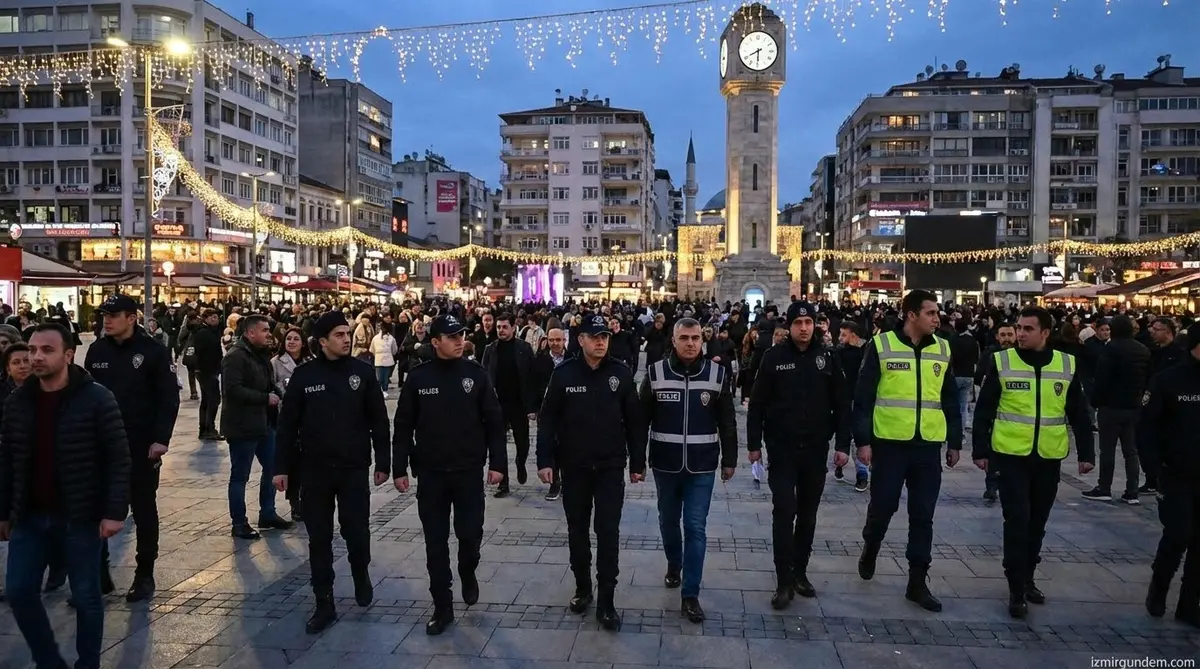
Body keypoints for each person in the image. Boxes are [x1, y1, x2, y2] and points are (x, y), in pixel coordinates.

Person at [0, 323, 131, 669]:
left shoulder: (96, 397)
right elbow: (7, 458)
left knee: (87, 596)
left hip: (80, 514)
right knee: (19, 590)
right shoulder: (19, 401)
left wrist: (114, 511)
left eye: (46, 350)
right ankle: (49, 660)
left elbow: (118, 457)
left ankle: (88, 663)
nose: (35, 357)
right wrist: (3, 511)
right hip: (29, 515)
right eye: (31, 349)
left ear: (69, 355)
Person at [971, 306, 1094, 619]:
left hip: (1048, 457)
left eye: (1027, 329)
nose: (1021, 334)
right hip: (1010, 456)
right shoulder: (1001, 362)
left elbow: (1079, 411)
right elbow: (984, 409)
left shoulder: (1066, 364)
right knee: (1017, 520)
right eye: (1019, 328)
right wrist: (981, 450)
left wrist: (1087, 454)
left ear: (1045, 333)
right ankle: (1015, 588)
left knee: (1037, 522)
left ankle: (1028, 578)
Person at [274, 312, 392, 634]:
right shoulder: (304, 376)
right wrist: (280, 468)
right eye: (338, 334)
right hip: (315, 471)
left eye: (347, 332)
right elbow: (286, 427)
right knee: (319, 539)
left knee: (357, 531)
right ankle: (324, 601)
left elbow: (379, 421)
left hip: (353, 468)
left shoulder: (362, 373)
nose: (346, 338)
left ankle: (360, 572)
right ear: (322, 341)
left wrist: (384, 462)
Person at [392, 314, 506, 636]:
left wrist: (498, 462)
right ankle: (442, 606)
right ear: (435, 341)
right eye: (452, 336)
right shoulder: (418, 378)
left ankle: (468, 571)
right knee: (435, 544)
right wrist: (399, 467)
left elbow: (494, 422)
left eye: (461, 335)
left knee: (470, 536)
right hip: (431, 475)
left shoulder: (476, 375)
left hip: (468, 473)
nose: (459, 341)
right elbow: (403, 426)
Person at [853, 289, 963, 612]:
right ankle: (871, 544)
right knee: (884, 505)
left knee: (923, 515)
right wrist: (863, 441)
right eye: (930, 313)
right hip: (889, 445)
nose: (936, 318)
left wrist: (954, 442)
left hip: (927, 447)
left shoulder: (942, 348)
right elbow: (863, 397)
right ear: (911, 314)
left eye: (937, 313)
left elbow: (949, 398)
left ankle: (917, 581)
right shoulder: (882, 345)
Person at [536, 313, 646, 632]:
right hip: (575, 467)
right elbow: (548, 420)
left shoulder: (621, 373)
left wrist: (637, 463)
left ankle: (607, 599)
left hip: (610, 466)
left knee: (608, 531)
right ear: (580, 339)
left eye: (604, 336)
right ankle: (583, 587)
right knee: (577, 530)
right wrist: (546, 461)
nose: (601, 341)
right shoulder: (564, 374)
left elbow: (636, 422)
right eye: (594, 336)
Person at [747, 301, 851, 609]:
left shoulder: (828, 358)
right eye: (798, 323)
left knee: (807, 514)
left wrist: (843, 444)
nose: (803, 328)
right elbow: (757, 404)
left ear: (815, 325)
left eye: (808, 322)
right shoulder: (773, 358)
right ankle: (782, 581)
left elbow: (843, 404)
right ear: (789, 326)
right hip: (782, 449)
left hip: (816, 449)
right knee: (784, 510)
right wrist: (754, 444)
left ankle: (800, 572)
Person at [639, 317, 738, 623]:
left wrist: (730, 459)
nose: (691, 343)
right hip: (666, 464)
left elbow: (728, 421)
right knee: (668, 521)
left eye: (696, 338)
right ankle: (674, 563)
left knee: (695, 527)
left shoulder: (717, 375)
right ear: (674, 340)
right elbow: (640, 421)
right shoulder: (656, 374)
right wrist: (635, 461)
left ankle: (691, 594)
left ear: (702, 340)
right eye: (684, 338)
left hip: (702, 465)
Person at [84, 294, 180, 603]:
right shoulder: (97, 351)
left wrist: (161, 439)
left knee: (143, 509)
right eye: (104, 315)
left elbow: (168, 399)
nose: (107, 320)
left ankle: (144, 574)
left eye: (113, 315)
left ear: (131, 318)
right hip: (101, 445)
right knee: (97, 508)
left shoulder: (153, 352)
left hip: (140, 445)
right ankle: (98, 572)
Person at [1142, 328, 1200, 628]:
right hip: (1176, 473)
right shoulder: (1169, 379)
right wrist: (1154, 470)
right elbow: (1148, 426)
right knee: (1178, 534)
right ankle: (1159, 587)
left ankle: (1190, 604)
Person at [221, 314, 291, 540]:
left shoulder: (261, 355)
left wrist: (278, 394)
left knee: (273, 468)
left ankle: (267, 513)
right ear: (250, 333)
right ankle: (239, 523)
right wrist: (264, 398)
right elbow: (232, 390)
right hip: (242, 426)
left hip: (264, 423)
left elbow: (270, 385)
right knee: (240, 476)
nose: (269, 334)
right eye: (264, 330)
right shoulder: (236, 356)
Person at [1085, 314, 1151, 504]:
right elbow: (1147, 376)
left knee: (1108, 449)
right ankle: (1132, 491)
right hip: (1133, 405)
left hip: (1111, 405)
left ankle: (1104, 487)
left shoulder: (1111, 349)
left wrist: (1096, 402)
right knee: (1131, 450)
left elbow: (1102, 378)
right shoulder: (1143, 350)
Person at [480, 313, 538, 497]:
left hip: (519, 404)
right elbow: (484, 376)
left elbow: (531, 377)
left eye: (505, 327)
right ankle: (503, 482)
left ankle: (520, 463)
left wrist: (532, 407)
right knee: (498, 443)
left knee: (523, 443)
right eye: (499, 327)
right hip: (497, 405)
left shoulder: (524, 348)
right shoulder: (491, 349)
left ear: (514, 328)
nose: (501, 331)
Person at [1140, 317, 1187, 495]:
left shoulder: (1177, 354)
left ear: (1167, 332)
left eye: (1157, 329)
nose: (1152, 332)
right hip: (1152, 403)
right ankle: (1152, 478)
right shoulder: (1154, 352)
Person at [272, 326, 313, 522]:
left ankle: (307, 500)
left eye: (296, 338)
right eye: (289, 338)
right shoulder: (275, 363)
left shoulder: (311, 363)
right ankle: (294, 502)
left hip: (309, 419)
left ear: (303, 342)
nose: (292, 342)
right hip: (286, 418)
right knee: (293, 464)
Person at [975, 322, 1017, 501]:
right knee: (994, 450)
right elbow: (979, 377)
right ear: (997, 337)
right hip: (995, 409)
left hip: (1016, 412)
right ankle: (991, 484)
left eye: (1010, 334)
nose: (1007, 338)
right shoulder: (990, 355)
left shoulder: (1020, 356)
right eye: (1003, 335)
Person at [533, 327, 570, 501]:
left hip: (569, 411)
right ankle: (555, 483)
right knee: (550, 445)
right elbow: (531, 383)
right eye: (552, 340)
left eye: (558, 340)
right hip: (546, 409)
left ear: (564, 341)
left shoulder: (573, 360)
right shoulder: (540, 360)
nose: (555, 343)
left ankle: (568, 481)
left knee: (567, 446)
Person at [834, 321, 869, 492]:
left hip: (861, 400)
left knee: (860, 436)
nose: (840, 338)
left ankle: (862, 473)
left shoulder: (866, 351)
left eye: (843, 334)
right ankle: (840, 463)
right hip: (844, 399)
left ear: (854, 335)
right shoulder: (839, 352)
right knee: (844, 432)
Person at [190, 309, 225, 440]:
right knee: (213, 399)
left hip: (205, 370)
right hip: (206, 370)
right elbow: (207, 353)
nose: (216, 319)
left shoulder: (208, 331)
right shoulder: (204, 333)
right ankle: (209, 428)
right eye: (213, 317)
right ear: (206, 318)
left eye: (217, 317)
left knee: (207, 400)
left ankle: (204, 429)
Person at [370, 322, 400, 397]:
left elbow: (394, 350)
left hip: (387, 361)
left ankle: (384, 390)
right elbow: (372, 349)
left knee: (385, 378)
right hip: (379, 360)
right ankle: (379, 391)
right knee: (379, 378)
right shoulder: (376, 338)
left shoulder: (391, 338)